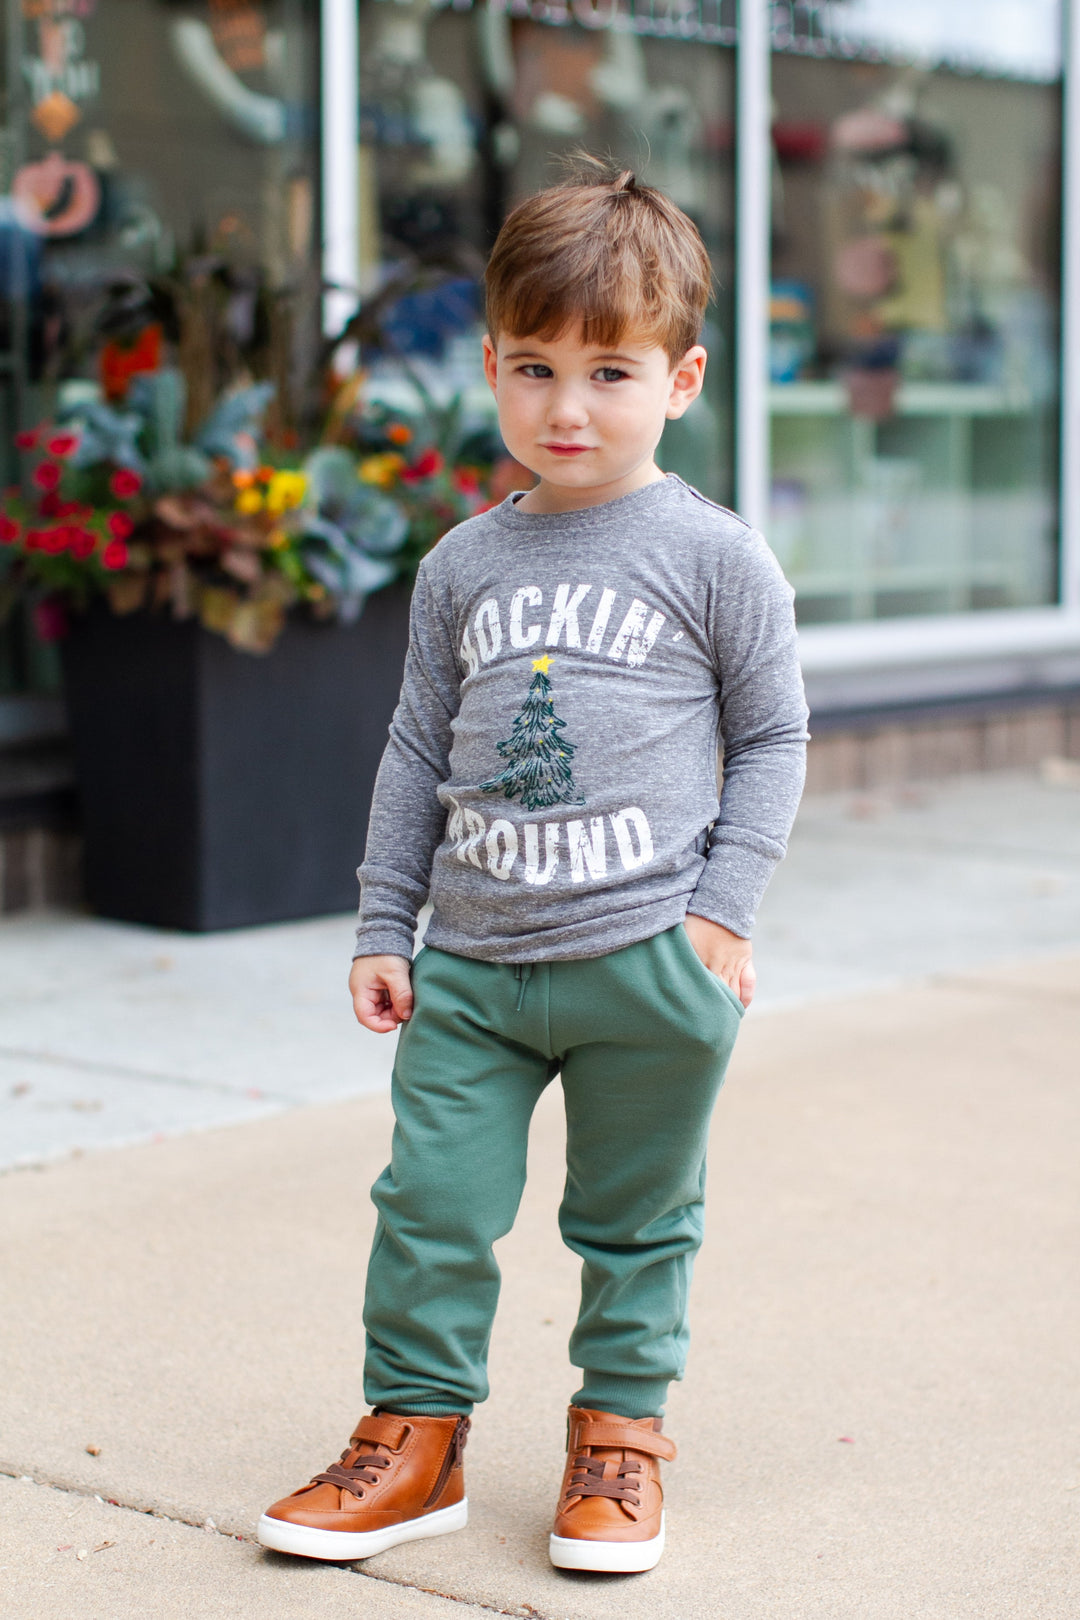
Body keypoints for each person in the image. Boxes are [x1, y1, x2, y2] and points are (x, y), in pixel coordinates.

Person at [258, 161, 809, 1576]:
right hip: (479, 971)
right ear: (492, 365)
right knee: (432, 1206)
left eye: (610, 371)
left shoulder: (712, 557)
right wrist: (389, 921)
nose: (568, 409)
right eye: (534, 368)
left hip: (647, 962)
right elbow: (409, 752)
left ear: (682, 379)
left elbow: (775, 737)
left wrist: (716, 917)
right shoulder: (461, 567)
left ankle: (619, 1438)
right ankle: (416, 1437)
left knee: (635, 1222)